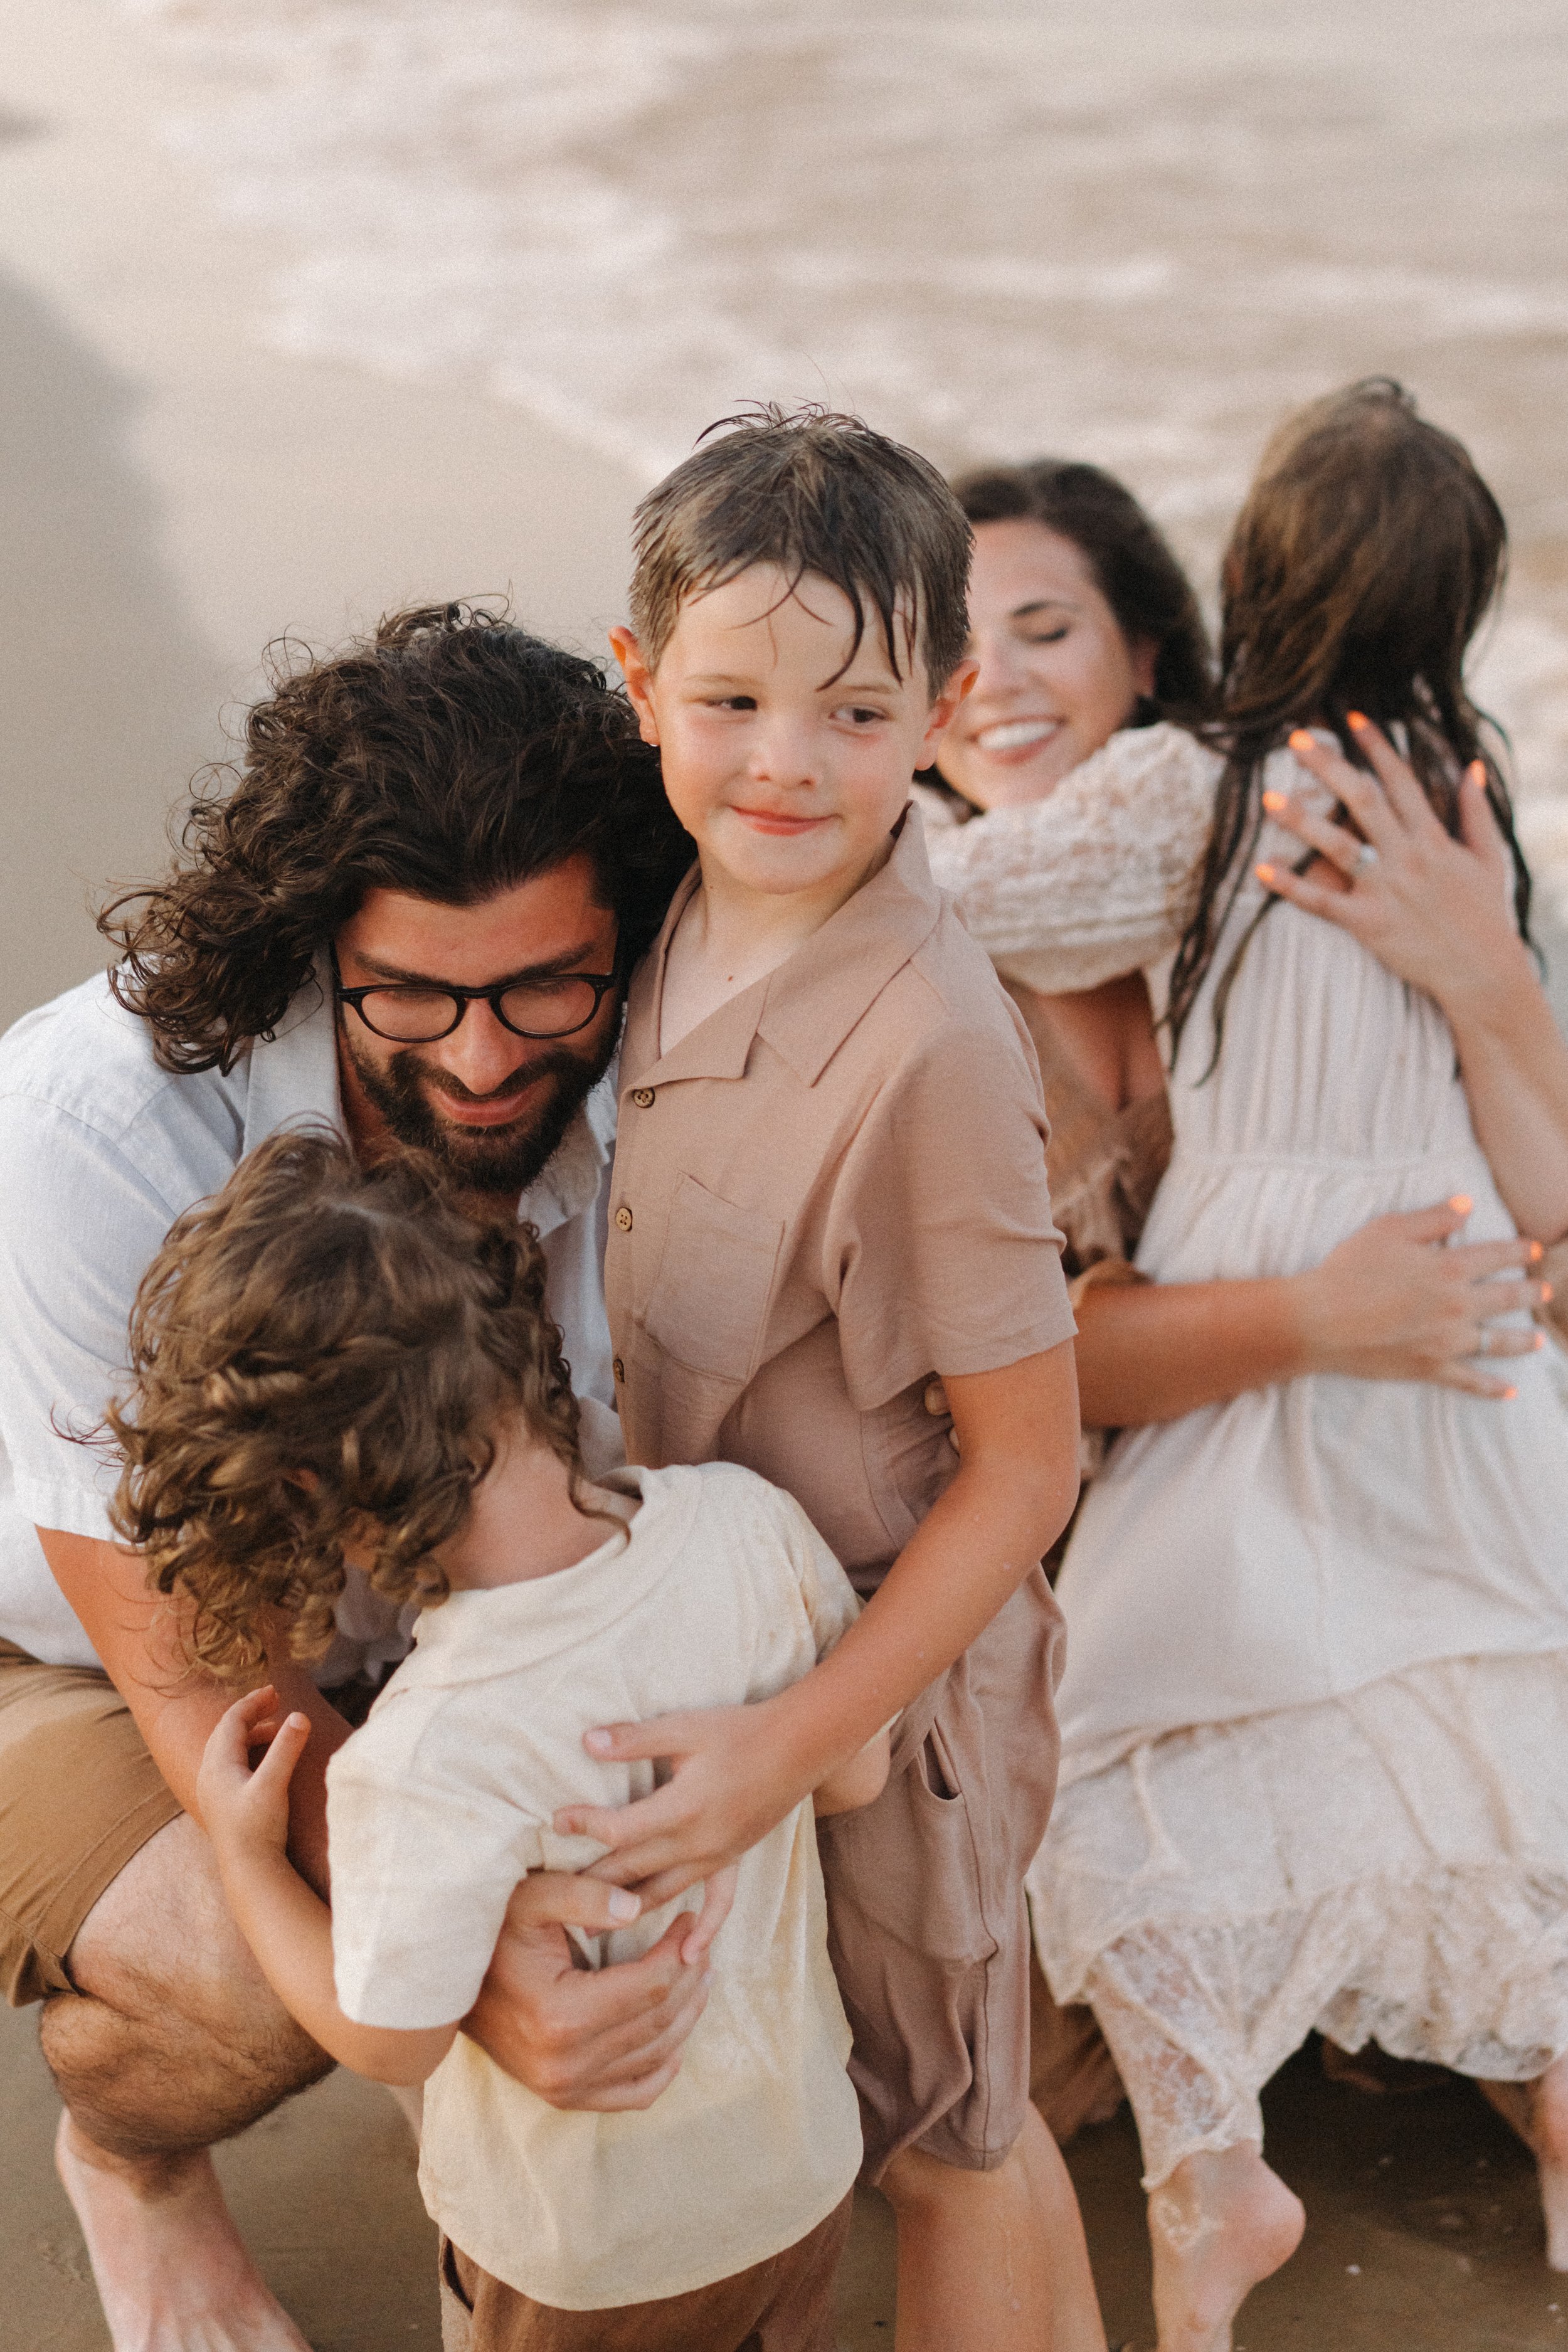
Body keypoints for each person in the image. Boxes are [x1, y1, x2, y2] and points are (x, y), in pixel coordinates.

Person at [0, 607, 718, 2352]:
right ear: (315, 945)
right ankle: (132, 2155)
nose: (483, 1061)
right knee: (267, 1966)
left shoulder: (676, 1052)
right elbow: (195, 1665)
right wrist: (470, 1966)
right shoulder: (95, 1131)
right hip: (101, 1658)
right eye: (411, 994)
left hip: (466, 1639)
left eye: (549, 984)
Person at [1016, 380, 1568, 2352]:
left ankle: (1205, 2172)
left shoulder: (1192, 791)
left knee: (1146, 1722)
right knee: (1480, 1695)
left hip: (1281, 1286)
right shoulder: (1474, 804)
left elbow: (977, 897)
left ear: (1244, 585)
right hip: (1464, 1310)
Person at [574, 406, 1100, 2352]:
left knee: (943, 2124)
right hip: (731, 1634)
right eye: (730, 699)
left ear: (941, 709)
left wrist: (804, 1734)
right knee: (925, 2097)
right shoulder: (661, 907)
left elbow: (1024, 1468)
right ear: (641, 688)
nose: (785, 760)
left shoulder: (934, 1037)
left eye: (857, 714)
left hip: (893, 1672)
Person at [108, 1129, 890, 2352]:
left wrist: (252, 1859)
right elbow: (855, 1770)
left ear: (313, 1495)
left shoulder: (420, 1754)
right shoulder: (746, 1522)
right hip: (794, 2177)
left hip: (580, 2253)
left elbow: (394, 2036)